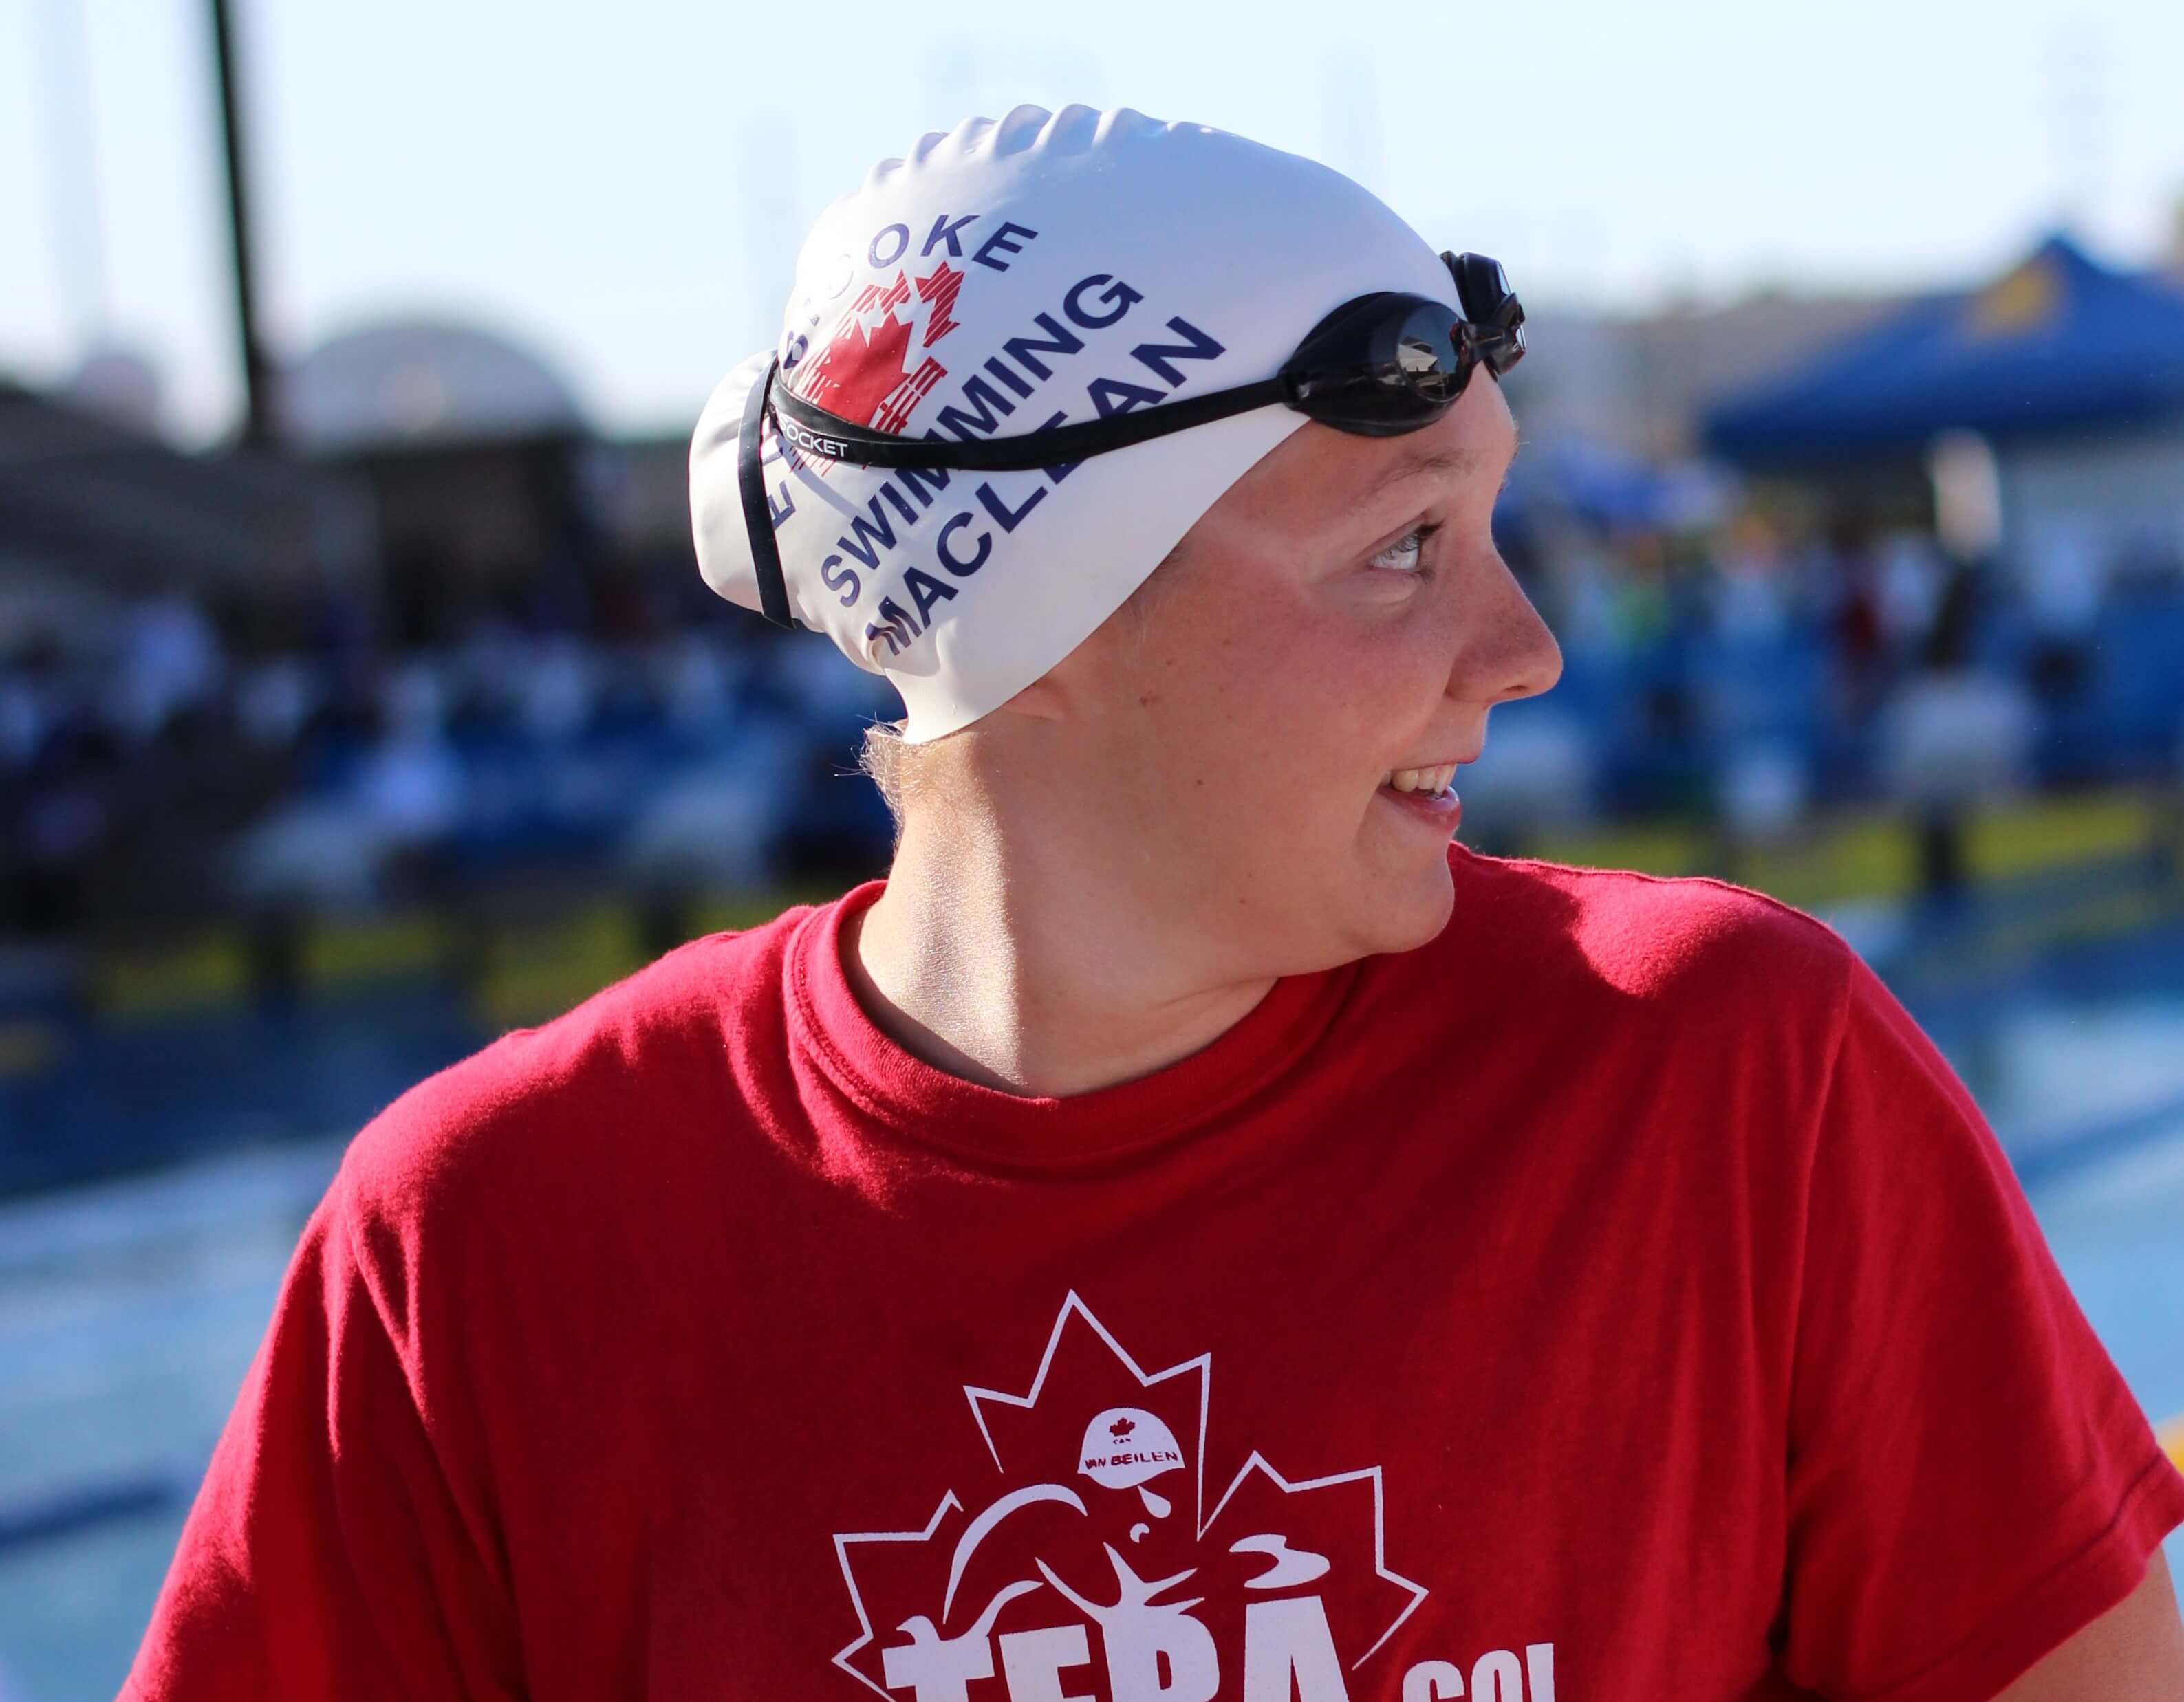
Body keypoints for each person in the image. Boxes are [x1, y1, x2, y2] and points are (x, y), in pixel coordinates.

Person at [122, 105, 2184, 1702]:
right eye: (1404, 546)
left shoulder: (1726, 1077)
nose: (1526, 643)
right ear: (1060, 623)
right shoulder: (486, 1244)